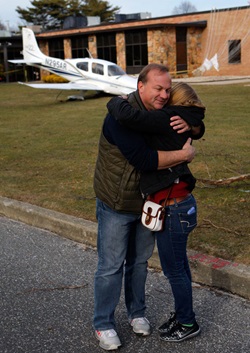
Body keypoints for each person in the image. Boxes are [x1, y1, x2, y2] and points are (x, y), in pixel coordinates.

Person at [93, 64, 203, 350]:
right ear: (140, 86)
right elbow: (144, 159)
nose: (165, 95)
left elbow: (194, 117)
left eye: (168, 89)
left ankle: (136, 313)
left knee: (140, 263)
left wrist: (194, 126)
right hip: (117, 202)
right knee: (111, 266)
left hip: (147, 203)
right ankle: (103, 323)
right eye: (158, 88)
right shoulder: (122, 117)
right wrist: (184, 154)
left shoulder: (159, 114)